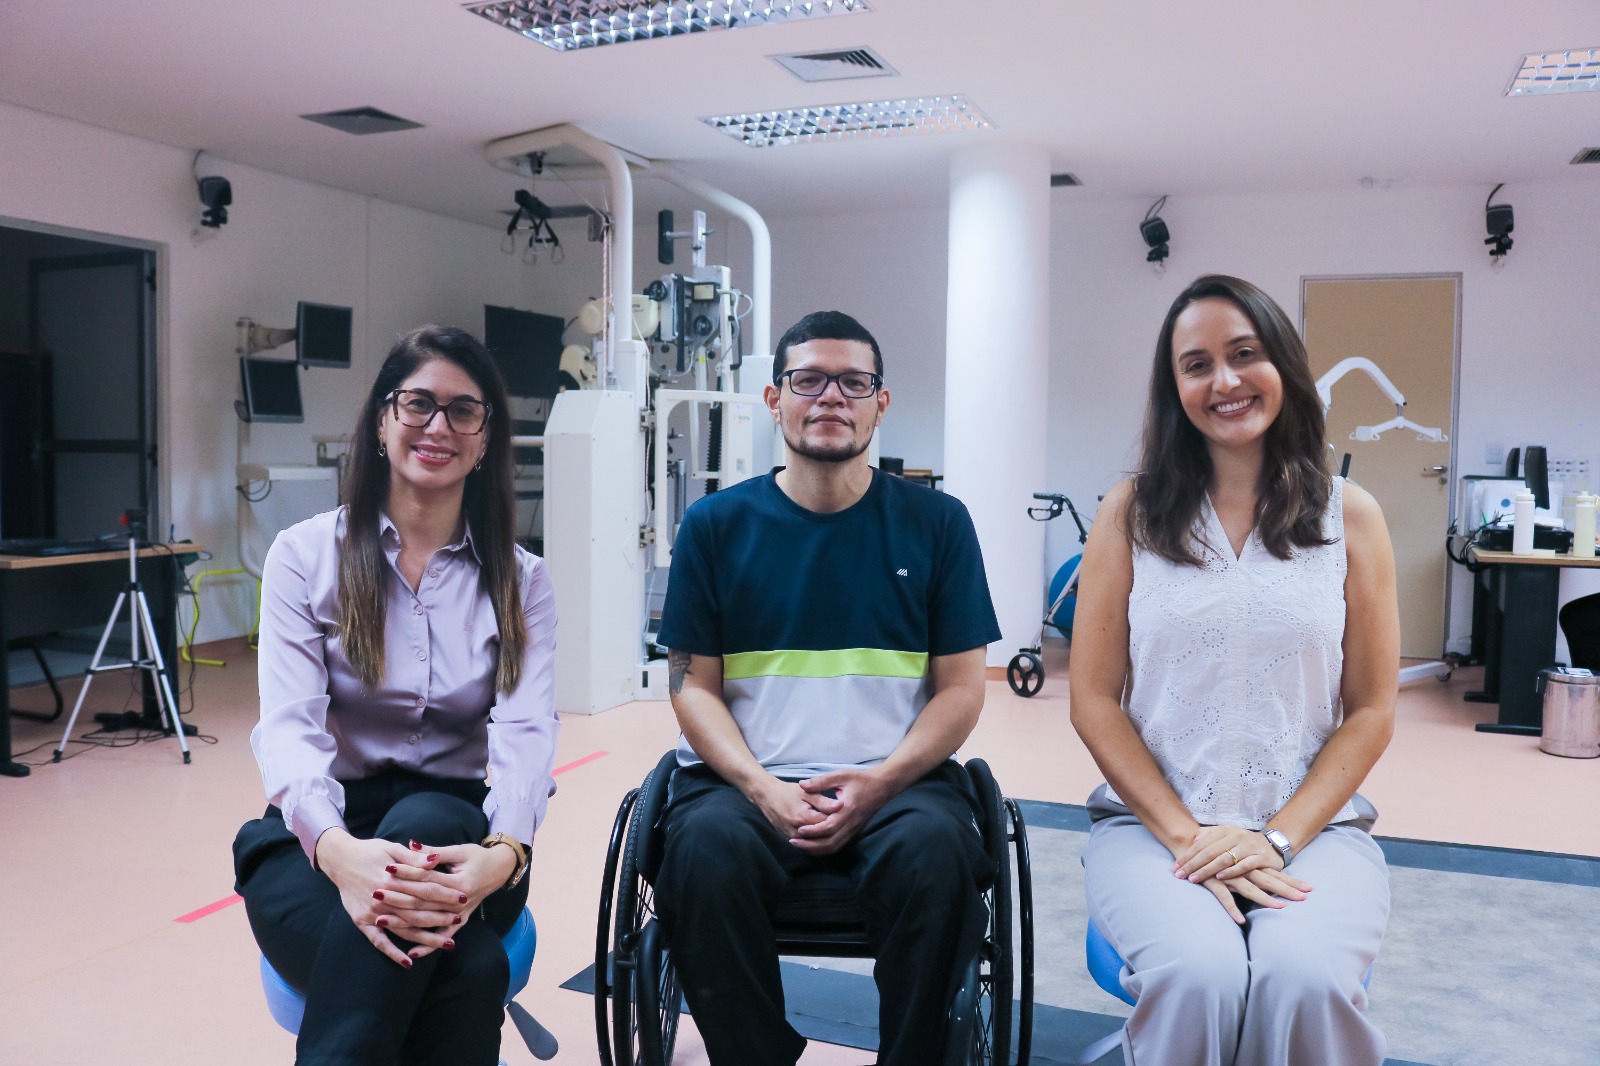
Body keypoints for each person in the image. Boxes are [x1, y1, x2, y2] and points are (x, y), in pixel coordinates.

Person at [653, 310, 1001, 1066]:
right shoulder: (713, 526)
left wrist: (880, 782)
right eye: (809, 380)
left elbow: (962, 691)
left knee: (939, 859)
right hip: (742, 784)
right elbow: (688, 683)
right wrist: (759, 786)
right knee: (701, 856)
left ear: (881, 402)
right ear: (777, 400)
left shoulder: (939, 524)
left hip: (898, 781)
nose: (831, 397)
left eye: (853, 382)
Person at [1069, 275, 1399, 1066]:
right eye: (1196, 364)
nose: (1223, 381)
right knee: (1199, 976)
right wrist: (1188, 837)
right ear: (1173, 386)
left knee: (1303, 979)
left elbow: (1371, 709)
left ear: (1282, 364)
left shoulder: (1351, 515)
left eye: (1244, 354)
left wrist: (1278, 839)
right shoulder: (1131, 512)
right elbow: (1091, 699)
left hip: (1313, 830)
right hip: (1153, 828)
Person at [232, 325, 559, 1066]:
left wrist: (504, 855)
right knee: (468, 969)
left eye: (463, 411)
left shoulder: (522, 580)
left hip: (464, 843)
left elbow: (525, 733)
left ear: (484, 440)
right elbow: (288, 727)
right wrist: (342, 854)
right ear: (383, 420)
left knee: (427, 813)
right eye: (418, 404)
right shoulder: (304, 556)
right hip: (317, 836)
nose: (438, 426)